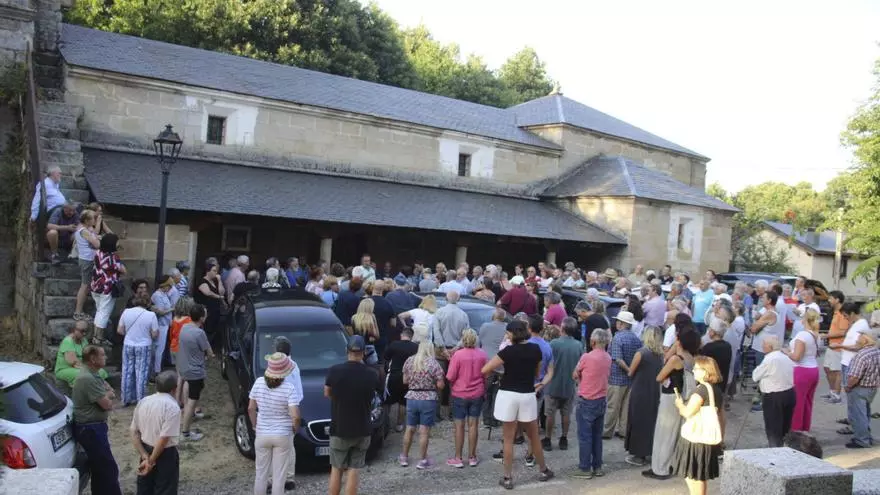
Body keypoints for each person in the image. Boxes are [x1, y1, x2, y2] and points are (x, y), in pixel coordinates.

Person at [480, 320, 554, 490]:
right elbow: (537, 373)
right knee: (533, 435)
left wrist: (504, 371)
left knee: (508, 438)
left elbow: (485, 369)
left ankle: (507, 477)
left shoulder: (507, 351)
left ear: (512, 333)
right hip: (527, 394)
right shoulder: (535, 349)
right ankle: (543, 470)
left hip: (508, 394)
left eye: (507, 333)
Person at [324, 335, 382, 495]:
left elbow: (327, 393)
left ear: (346, 350)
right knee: (354, 469)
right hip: (363, 428)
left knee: (336, 469)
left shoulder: (334, 371)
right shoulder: (372, 374)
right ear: (364, 352)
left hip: (340, 428)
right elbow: (375, 395)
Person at [643, 329, 699, 480]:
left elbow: (659, 377)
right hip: (682, 396)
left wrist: (673, 349)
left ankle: (660, 468)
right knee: (674, 433)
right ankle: (670, 464)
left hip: (670, 397)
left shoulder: (675, 359)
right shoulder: (691, 358)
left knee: (664, 433)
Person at [248, 353, 300, 495]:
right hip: (282, 435)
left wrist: (254, 426)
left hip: (262, 434)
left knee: (261, 474)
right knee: (279, 476)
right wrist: (294, 429)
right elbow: (295, 416)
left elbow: (251, 408)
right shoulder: (289, 388)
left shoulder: (258, 382)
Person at [73, 345, 122, 495]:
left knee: (100, 469)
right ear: (93, 359)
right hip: (91, 429)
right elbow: (107, 404)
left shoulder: (94, 374)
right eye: (102, 355)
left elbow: (110, 390)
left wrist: (108, 394)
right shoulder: (87, 378)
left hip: (94, 428)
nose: (105, 357)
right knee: (108, 469)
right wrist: (108, 394)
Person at [672, 356, 724, 495]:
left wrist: (679, 404)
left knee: (694, 476)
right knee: (699, 475)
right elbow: (721, 415)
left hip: (696, 439)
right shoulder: (716, 390)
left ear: (705, 371)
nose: (694, 370)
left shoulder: (701, 390)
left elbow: (687, 412)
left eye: (696, 368)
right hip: (707, 437)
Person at [398, 323, 445, 469]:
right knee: (424, 431)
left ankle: (404, 457)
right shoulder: (433, 363)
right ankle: (423, 460)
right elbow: (440, 385)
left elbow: (405, 381)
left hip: (412, 397)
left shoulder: (410, 361)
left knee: (410, 428)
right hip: (428, 398)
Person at [130, 370, 182, 495]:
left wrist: (144, 456)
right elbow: (163, 438)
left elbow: (133, 431)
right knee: (165, 489)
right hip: (165, 454)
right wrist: (151, 461)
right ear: (175, 389)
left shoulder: (144, 401)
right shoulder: (172, 407)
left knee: (144, 488)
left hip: (145, 449)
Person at [571, 328, 612, 479]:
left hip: (587, 399)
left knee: (585, 436)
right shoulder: (608, 357)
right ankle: (597, 466)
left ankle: (585, 468)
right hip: (601, 399)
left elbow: (575, 374)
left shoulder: (587, 357)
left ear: (593, 342)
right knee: (597, 436)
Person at [446, 328, 488, 468]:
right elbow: (486, 374)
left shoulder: (458, 355)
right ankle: (472, 457)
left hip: (460, 394)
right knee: (473, 425)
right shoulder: (482, 354)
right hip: (477, 393)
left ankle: (458, 457)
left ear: (463, 340)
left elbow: (450, 376)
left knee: (459, 426)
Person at [624, 326, 664, 467]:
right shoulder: (660, 355)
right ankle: (648, 450)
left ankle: (638, 455)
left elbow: (631, 372)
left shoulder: (641, 353)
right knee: (650, 421)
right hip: (653, 391)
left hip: (639, 391)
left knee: (637, 421)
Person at [542, 317, 582, 452]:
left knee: (550, 413)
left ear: (562, 328)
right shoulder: (578, 345)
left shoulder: (554, 343)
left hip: (553, 383)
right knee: (566, 413)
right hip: (569, 385)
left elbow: (547, 361)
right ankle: (563, 438)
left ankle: (547, 438)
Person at [177, 304, 214, 442]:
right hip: (195, 371)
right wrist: (210, 355)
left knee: (191, 392)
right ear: (201, 318)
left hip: (185, 368)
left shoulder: (184, 328)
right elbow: (208, 351)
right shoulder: (199, 333)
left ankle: (191, 413)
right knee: (192, 401)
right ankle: (186, 432)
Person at [603, 311, 642, 439]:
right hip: (630, 380)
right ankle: (623, 431)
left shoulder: (617, 338)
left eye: (618, 321)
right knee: (625, 407)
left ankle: (607, 431)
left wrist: (628, 370)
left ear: (621, 323)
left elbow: (618, 359)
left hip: (616, 378)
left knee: (612, 406)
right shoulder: (636, 339)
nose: (616, 323)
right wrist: (632, 372)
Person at [752, 336, 796, 447]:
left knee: (773, 428)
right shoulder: (786, 357)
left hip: (774, 396)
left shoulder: (770, 359)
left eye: (764, 344)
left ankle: (775, 450)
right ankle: (785, 447)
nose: (762, 346)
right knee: (785, 426)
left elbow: (755, 376)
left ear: (770, 347)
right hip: (789, 393)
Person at [782, 308, 820, 432]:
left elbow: (797, 357)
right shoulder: (816, 335)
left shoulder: (802, 335)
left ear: (804, 319)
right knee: (808, 401)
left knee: (797, 403)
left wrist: (786, 352)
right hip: (813, 369)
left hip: (802, 370)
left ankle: (795, 430)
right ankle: (804, 428)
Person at [842, 326, 879, 449]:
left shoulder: (861, 355)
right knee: (865, 413)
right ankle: (866, 436)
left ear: (866, 339)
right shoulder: (876, 352)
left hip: (860, 388)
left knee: (858, 415)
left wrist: (848, 386)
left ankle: (862, 440)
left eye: (860, 336)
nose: (857, 339)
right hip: (871, 387)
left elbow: (854, 376)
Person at [119, 296, 159, 406]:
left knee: (127, 371)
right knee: (141, 372)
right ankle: (141, 399)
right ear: (148, 304)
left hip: (128, 344)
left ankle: (125, 398)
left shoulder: (126, 312)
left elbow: (120, 330)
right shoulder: (151, 315)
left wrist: (130, 335)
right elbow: (155, 334)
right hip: (144, 345)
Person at [89, 233, 125, 345]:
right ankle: (99, 337)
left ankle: (95, 336)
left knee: (99, 311)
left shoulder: (98, 253)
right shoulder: (113, 257)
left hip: (96, 286)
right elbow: (123, 270)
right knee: (104, 313)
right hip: (107, 288)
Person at [55, 320, 109, 390]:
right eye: (82, 331)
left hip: (82, 367)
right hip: (65, 369)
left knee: (101, 371)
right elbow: (73, 362)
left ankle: (98, 391)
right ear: (74, 330)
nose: (84, 333)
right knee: (85, 375)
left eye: (86, 331)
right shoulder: (68, 341)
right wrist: (90, 369)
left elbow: (88, 357)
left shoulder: (84, 340)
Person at [384, 327, 418, 432]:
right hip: (407, 378)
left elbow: (386, 357)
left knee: (388, 400)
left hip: (393, 376)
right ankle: (399, 424)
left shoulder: (394, 344)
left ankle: (386, 423)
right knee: (403, 402)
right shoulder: (415, 347)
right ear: (411, 337)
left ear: (402, 335)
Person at [73, 209, 101, 321]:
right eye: (93, 218)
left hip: (86, 259)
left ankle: (79, 311)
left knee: (86, 286)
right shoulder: (84, 231)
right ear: (86, 220)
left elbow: (94, 236)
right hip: (87, 260)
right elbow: (97, 244)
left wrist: (95, 236)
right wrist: (97, 239)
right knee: (84, 286)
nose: (94, 220)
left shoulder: (83, 229)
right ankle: (78, 312)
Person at [822, 291, 848, 404]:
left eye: (830, 298)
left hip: (838, 346)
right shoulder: (836, 312)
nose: (829, 300)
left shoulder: (842, 313)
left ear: (837, 300)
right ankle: (832, 391)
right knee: (827, 368)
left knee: (836, 371)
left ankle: (836, 395)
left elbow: (843, 332)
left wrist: (826, 335)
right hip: (831, 345)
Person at [195, 261, 226, 348]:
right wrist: (219, 297)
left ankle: (208, 347)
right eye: (214, 270)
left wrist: (219, 280)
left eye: (216, 271)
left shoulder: (215, 281)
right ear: (208, 271)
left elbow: (222, 292)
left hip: (215, 310)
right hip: (206, 311)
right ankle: (204, 348)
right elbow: (207, 292)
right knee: (206, 330)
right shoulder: (202, 281)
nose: (216, 273)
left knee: (214, 329)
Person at [151, 276, 175, 374]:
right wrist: (172, 309)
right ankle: (156, 370)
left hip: (165, 325)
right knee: (158, 349)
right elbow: (160, 312)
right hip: (160, 325)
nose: (170, 288)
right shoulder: (157, 295)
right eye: (169, 286)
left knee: (160, 348)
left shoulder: (164, 294)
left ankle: (157, 369)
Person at [46, 201, 79, 265]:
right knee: (52, 233)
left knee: (79, 233)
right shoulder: (58, 211)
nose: (72, 213)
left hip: (68, 238)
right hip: (57, 238)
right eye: (70, 210)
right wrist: (67, 227)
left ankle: (73, 256)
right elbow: (49, 226)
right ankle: (54, 255)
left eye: (73, 210)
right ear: (64, 208)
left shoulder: (75, 213)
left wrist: (76, 228)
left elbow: (80, 226)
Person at [351, 298, 381, 365]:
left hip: (357, 347)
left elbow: (352, 334)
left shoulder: (354, 318)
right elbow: (377, 335)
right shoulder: (371, 318)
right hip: (369, 347)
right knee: (373, 368)